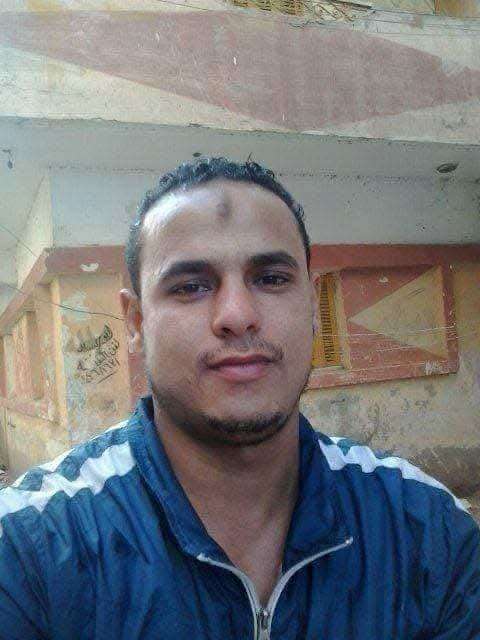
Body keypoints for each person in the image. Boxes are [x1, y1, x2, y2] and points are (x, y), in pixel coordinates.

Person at [0, 157, 478, 640]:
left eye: (271, 279)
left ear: (313, 307)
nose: (237, 315)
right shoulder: (30, 551)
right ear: (136, 323)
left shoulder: (428, 531)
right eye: (191, 286)